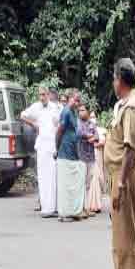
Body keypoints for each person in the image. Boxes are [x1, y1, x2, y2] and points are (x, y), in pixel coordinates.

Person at [105, 58, 135, 269]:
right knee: (120, 241)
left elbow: (129, 150)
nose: (113, 82)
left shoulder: (131, 107)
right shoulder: (125, 105)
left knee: (126, 242)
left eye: (114, 78)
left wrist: (120, 184)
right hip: (121, 175)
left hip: (125, 177)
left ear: (120, 80)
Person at [20, 85, 59, 218]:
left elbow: (58, 123)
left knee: (52, 176)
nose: (42, 97)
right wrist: (33, 124)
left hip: (52, 145)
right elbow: (22, 115)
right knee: (43, 177)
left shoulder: (54, 107)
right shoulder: (36, 107)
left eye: (44, 94)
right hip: (42, 145)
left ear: (48, 95)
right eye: (40, 95)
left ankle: (53, 207)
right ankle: (46, 208)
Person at [55, 90, 86, 222]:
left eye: (79, 101)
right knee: (65, 184)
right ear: (70, 99)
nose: (77, 103)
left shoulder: (74, 112)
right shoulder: (66, 112)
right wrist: (57, 149)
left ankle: (73, 211)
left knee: (73, 183)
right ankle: (64, 213)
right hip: (65, 151)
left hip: (73, 151)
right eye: (75, 100)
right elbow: (59, 131)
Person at [78, 104, 102, 215]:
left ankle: (86, 208)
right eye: (79, 110)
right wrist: (89, 136)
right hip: (81, 157)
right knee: (81, 183)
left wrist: (90, 138)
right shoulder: (78, 123)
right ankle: (80, 208)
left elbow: (97, 137)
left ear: (88, 112)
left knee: (88, 184)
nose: (80, 112)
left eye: (83, 110)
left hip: (91, 157)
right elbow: (80, 133)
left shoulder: (92, 124)